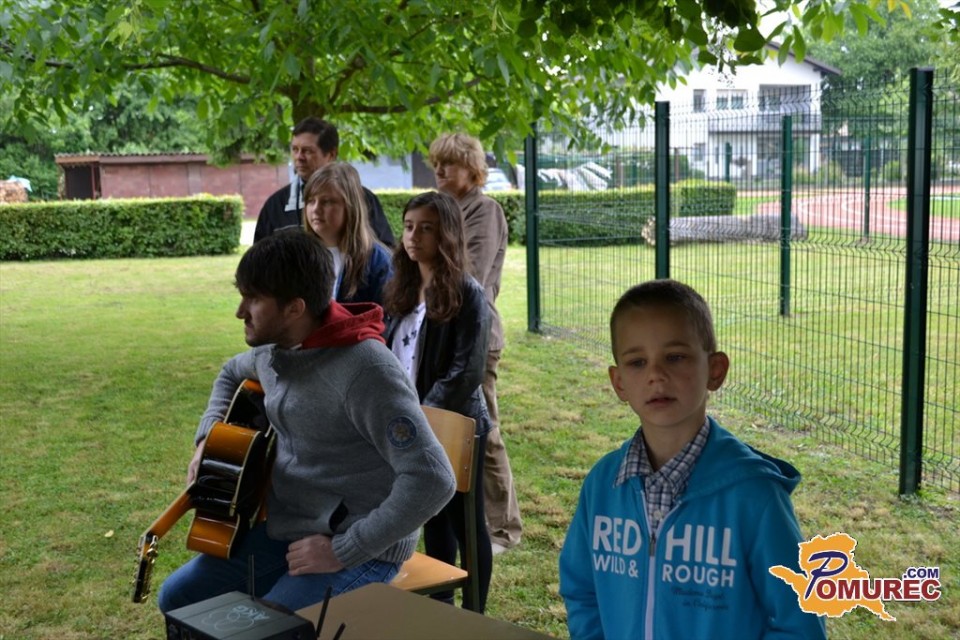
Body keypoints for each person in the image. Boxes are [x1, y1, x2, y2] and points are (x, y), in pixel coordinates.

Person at [157, 230, 455, 614]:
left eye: (254, 299)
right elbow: (231, 372)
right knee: (179, 599)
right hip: (287, 529)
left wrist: (344, 549)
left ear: (295, 309)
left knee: (269, 628)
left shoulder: (367, 372)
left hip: (361, 546)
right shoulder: (273, 352)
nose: (240, 311)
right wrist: (207, 439)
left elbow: (433, 478)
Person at [558, 280, 826, 640]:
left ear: (715, 370)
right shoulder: (603, 485)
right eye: (637, 362)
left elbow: (798, 623)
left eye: (675, 357)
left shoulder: (755, 497)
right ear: (619, 382)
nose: (656, 375)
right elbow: (581, 589)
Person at [382, 191, 494, 613]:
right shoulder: (402, 288)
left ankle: (474, 613)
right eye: (409, 227)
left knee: (466, 523)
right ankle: (441, 606)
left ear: (446, 234)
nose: (413, 236)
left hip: (454, 425)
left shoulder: (468, 293)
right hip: (412, 424)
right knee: (433, 518)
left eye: (426, 228)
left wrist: (423, 415)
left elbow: (467, 371)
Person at [428, 133, 521, 554]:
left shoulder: (484, 211)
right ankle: (461, 519)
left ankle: (503, 529)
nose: (439, 170)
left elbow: (472, 276)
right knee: (448, 431)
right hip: (439, 336)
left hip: (476, 337)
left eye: (449, 163)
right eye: (436, 162)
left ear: (473, 169)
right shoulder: (442, 209)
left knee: (484, 432)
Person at [254, 117, 395, 246]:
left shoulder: (363, 199)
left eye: (307, 151)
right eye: (295, 150)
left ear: (331, 154)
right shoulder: (275, 205)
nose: (299, 157)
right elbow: (258, 260)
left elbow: (386, 253)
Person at [302, 162, 392, 305]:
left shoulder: (377, 262)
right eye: (311, 201)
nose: (316, 209)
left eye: (327, 202)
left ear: (351, 207)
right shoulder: (300, 258)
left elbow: (387, 315)